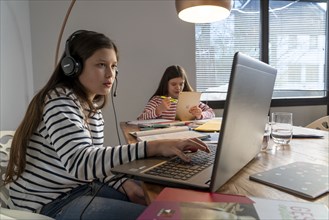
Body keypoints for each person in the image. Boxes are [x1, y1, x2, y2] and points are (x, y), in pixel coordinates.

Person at [3, 30, 209, 220]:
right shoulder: (60, 102)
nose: (110, 74)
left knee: (157, 195)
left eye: (113, 66)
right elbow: (80, 163)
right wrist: (154, 147)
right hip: (51, 202)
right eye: (101, 65)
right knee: (158, 216)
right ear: (72, 67)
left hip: (82, 187)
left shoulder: (91, 106)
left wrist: (122, 183)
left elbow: (95, 160)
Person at [137, 65, 215, 120]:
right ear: (166, 84)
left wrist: (200, 115)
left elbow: (211, 113)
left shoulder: (190, 100)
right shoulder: (157, 100)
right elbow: (140, 119)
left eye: (181, 84)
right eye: (173, 84)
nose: (178, 87)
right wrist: (158, 111)